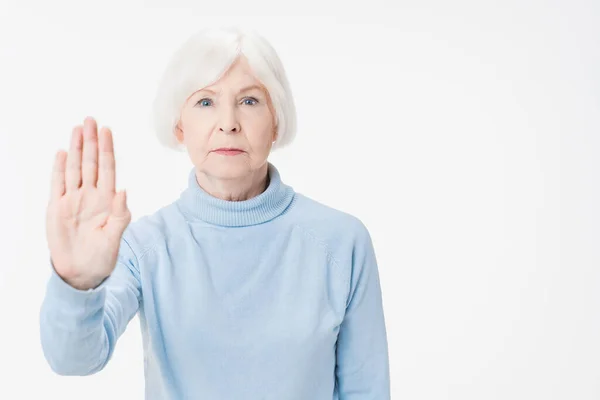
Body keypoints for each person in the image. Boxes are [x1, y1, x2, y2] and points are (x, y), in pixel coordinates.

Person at [40, 26, 390, 399]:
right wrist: (76, 283)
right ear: (179, 126)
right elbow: (73, 359)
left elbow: (366, 390)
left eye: (250, 101)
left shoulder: (340, 242)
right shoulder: (144, 245)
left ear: (277, 121)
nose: (228, 123)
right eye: (205, 102)